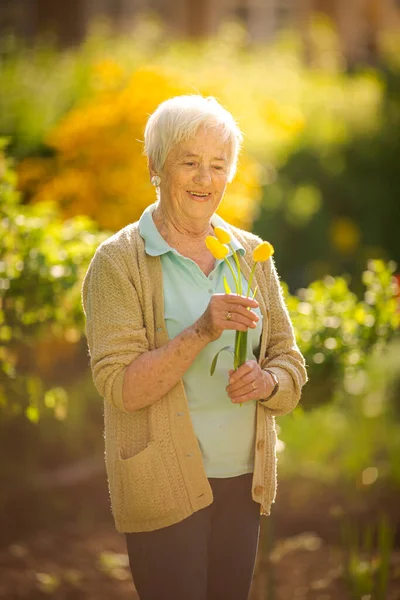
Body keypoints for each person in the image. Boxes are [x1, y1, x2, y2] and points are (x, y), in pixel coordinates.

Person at [81, 94, 308, 600]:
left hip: (243, 482)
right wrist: (200, 331)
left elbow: (289, 363)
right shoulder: (119, 262)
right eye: (189, 163)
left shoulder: (251, 255)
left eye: (217, 165)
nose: (205, 179)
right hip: (160, 482)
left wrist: (267, 381)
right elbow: (119, 387)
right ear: (156, 167)